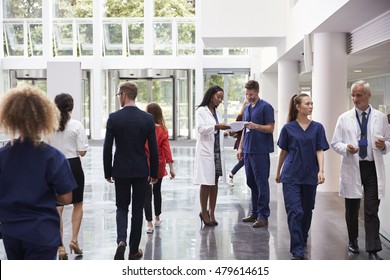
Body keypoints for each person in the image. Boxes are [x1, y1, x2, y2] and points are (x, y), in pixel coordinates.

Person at [0, 86, 76, 260]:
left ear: (11, 117)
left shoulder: (2, 156)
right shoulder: (53, 157)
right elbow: (67, 198)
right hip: (41, 231)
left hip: (11, 232)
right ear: (45, 117)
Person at [331, 80, 390, 260]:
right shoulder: (344, 117)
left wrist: (384, 145)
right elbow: (335, 143)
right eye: (353, 95)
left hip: (372, 168)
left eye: (359, 95)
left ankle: (372, 249)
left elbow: (388, 140)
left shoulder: (380, 117)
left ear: (368, 95)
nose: (356, 99)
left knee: (371, 209)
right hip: (353, 166)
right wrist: (346, 148)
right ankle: (353, 241)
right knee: (352, 209)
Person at [103, 81, 158, 260]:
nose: (119, 98)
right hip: (141, 170)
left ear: (124, 95)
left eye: (119, 95)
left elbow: (107, 147)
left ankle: (121, 241)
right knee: (137, 210)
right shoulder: (147, 118)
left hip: (120, 170)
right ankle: (134, 250)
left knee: (121, 207)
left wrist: (107, 171)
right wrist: (154, 172)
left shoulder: (114, 118)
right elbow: (154, 148)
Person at [275, 93, 329, 260]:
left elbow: (319, 150)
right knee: (294, 211)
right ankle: (297, 250)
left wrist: (321, 170)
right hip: (291, 175)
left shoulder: (318, 127)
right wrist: (278, 172)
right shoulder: (288, 128)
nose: (311, 106)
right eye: (307, 103)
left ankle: (302, 237)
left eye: (312, 103)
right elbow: (283, 151)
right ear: (298, 107)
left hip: (310, 175)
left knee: (307, 210)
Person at [48, 93, 89, 260]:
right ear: (71, 107)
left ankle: (60, 247)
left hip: (54, 166)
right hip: (73, 166)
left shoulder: (49, 125)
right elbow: (82, 152)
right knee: (77, 203)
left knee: (57, 207)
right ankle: (74, 240)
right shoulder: (77, 125)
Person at [237, 80, 275, 228]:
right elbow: (245, 130)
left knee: (261, 183)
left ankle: (263, 215)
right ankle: (254, 212)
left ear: (257, 92)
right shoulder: (247, 108)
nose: (249, 97)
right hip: (248, 150)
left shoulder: (266, 107)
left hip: (260, 151)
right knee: (251, 183)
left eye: (251, 94)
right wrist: (240, 148)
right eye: (247, 94)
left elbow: (271, 128)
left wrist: (256, 126)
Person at [194, 85, 230, 226]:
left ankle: (212, 211)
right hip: (205, 151)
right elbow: (201, 129)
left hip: (216, 151)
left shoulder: (217, 113)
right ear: (211, 96)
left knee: (215, 182)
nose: (220, 100)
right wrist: (216, 127)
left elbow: (217, 130)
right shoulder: (201, 111)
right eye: (218, 97)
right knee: (206, 182)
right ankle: (203, 211)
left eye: (221, 98)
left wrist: (225, 132)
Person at [144, 102, 176, 234]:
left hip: (145, 164)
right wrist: (171, 167)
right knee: (157, 191)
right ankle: (157, 217)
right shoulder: (162, 130)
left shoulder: (143, 128)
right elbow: (166, 149)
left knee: (146, 194)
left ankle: (149, 223)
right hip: (159, 164)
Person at [227, 100, 249, 186]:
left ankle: (231, 174)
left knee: (245, 161)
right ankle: (231, 174)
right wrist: (231, 131)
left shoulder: (251, 116)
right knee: (242, 161)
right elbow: (235, 129)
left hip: (248, 142)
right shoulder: (241, 116)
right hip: (240, 142)